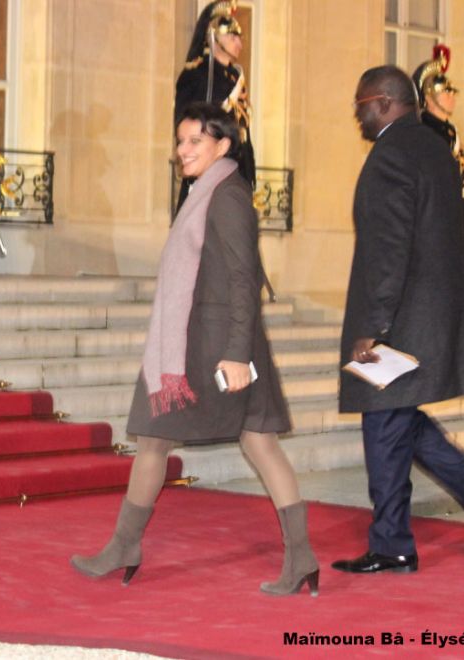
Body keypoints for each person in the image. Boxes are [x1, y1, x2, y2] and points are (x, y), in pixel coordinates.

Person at [71, 102, 318, 597]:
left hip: (212, 348)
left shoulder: (225, 196)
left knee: (169, 439)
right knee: (248, 442)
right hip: (203, 339)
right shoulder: (208, 191)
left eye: (194, 143)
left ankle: (125, 547)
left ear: (223, 146)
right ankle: (301, 559)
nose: (182, 151)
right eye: (180, 141)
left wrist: (235, 353)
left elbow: (244, 279)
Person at [332, 66, 464, 575]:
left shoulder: (391, 155)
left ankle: (392, 543)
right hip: (431, 308)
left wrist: (375, 323)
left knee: (385, 422)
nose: (357, 113)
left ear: (387, 101)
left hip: (402, 314)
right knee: (398, 418)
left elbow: (388, 249)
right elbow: (461, 233)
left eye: (362, 103)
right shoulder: (436, 148)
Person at [412, 45, 464, 314]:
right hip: (435, 218)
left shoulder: (450, 131)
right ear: (429, 97)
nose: (451, 96)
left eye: (452, 91)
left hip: (454, 212)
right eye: (445, 91)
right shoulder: (424, 132)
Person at [175, 0, 256, 208]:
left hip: (237, 166)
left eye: (239, 37)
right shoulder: (196, 74)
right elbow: (184, 124)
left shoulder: (235, 77)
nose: (239, 43)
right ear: (214, 37)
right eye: (232, 37)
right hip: (210, 167)